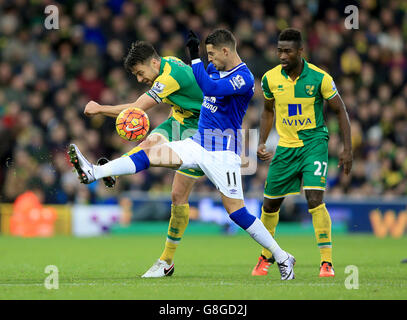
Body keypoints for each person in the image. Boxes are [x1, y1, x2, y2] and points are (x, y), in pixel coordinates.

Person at [68, 29, 296, 280]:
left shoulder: (243, 77)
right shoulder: (210, 68)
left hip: (222, 152)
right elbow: (202, 80)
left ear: (225, 51)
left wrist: (195, 56)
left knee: (237, 213)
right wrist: (198, 61)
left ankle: (282, 256)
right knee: (151, 155)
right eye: (206, 54)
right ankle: (95, 172)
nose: (210, 60)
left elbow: (208, 87)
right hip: (197, 141)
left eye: (212, 55)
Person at [82, 41, 206, 277]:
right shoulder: (167, 61)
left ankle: (271, 252)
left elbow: (135, 111)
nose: (139, 79)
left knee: (192, 198)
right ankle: (110, 171)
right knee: (148, 144)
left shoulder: (170, 76)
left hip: (203, 132)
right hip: (179, 121)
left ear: (154, 62)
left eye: (140, 73)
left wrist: (99, 108)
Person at [252, 28, 353, 278]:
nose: (282, 55)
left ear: (300, 51)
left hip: (314, 144)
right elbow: (267, 111)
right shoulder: (270, 78)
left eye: (287, 51)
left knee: (314, 199)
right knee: (269, 204)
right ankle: (267, 257)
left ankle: (326, 263)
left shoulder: (320, 78)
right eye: (279, 51)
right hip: (285, 148)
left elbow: (340, 111)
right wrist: (262, 141)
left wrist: (347, 149)